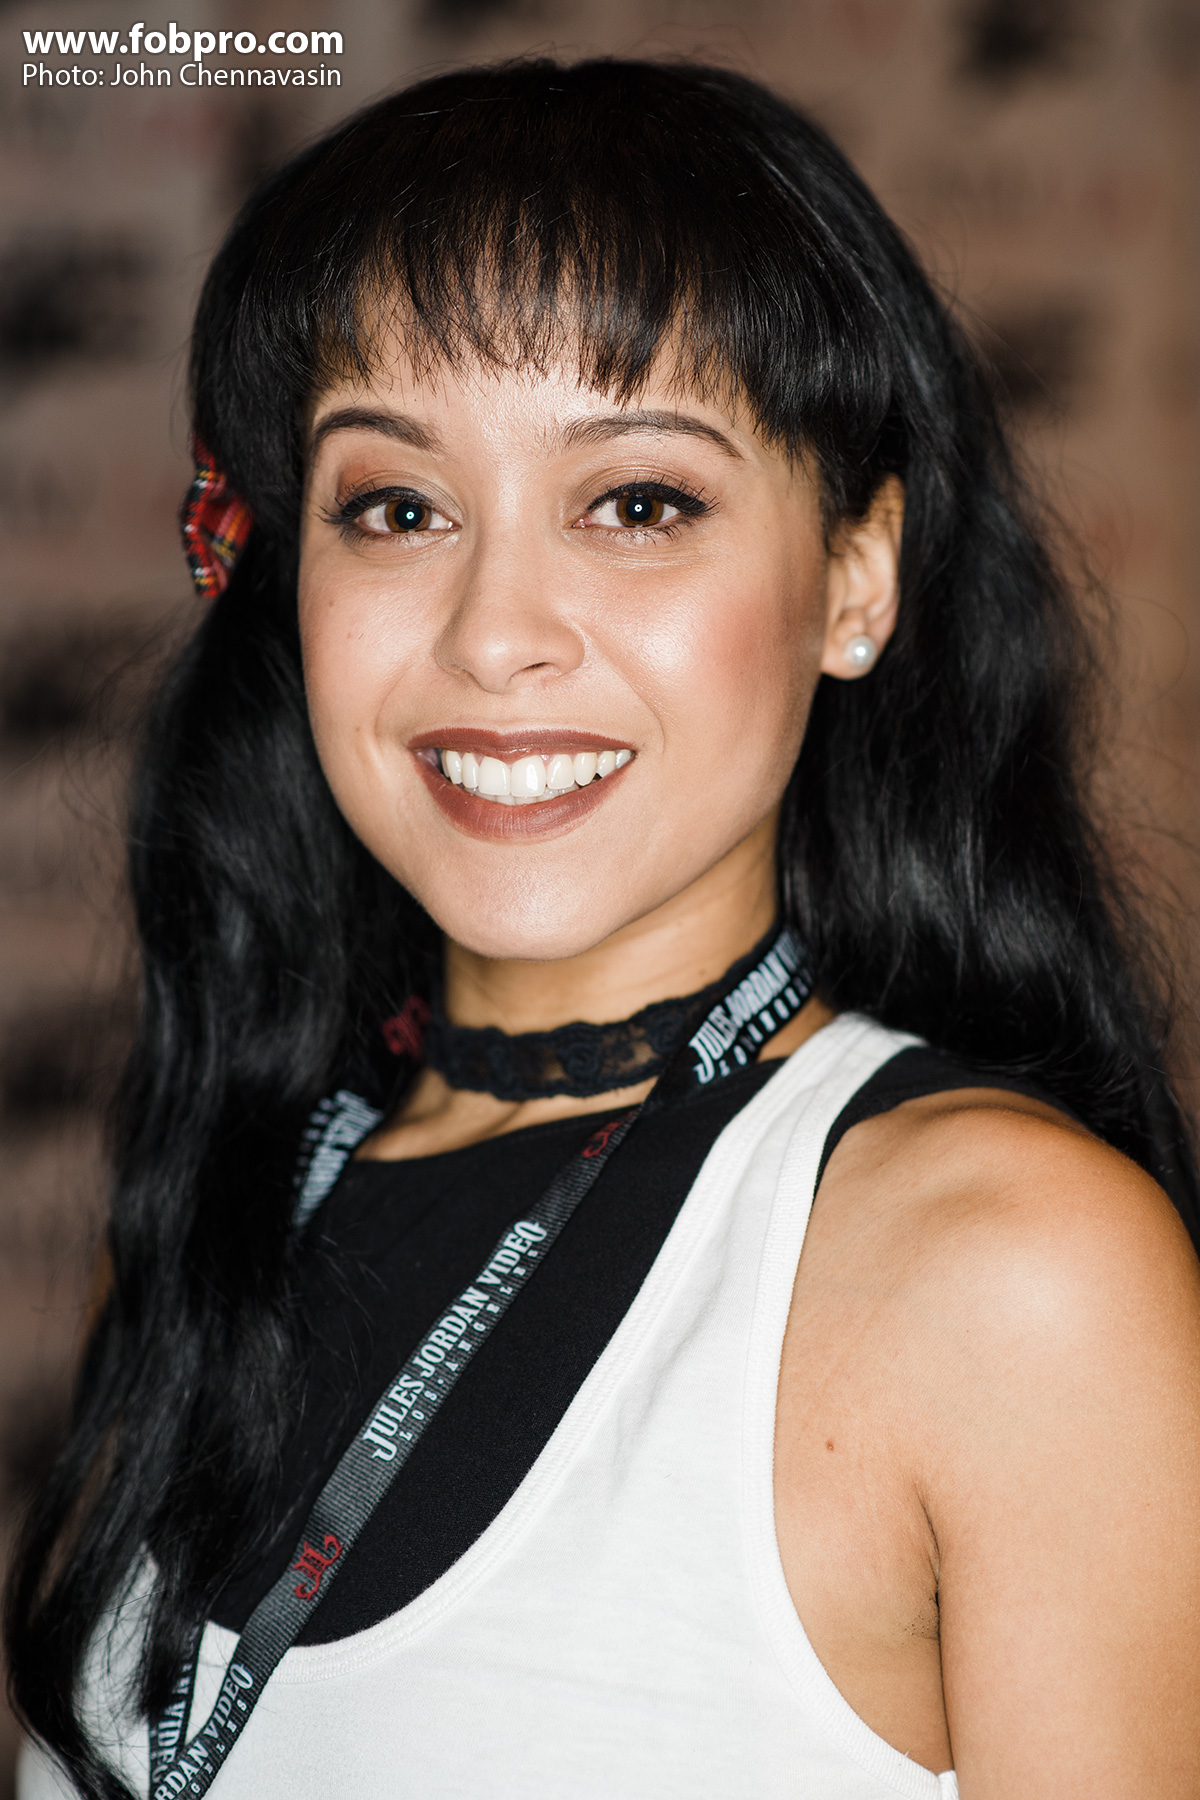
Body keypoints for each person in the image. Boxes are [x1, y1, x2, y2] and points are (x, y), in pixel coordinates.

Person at [8, 57, 1200, 1800]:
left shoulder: (1017, 1278)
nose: (497, 632)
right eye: (398, 509)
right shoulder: (220, 1217)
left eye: (638, 505)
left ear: (856, 575)